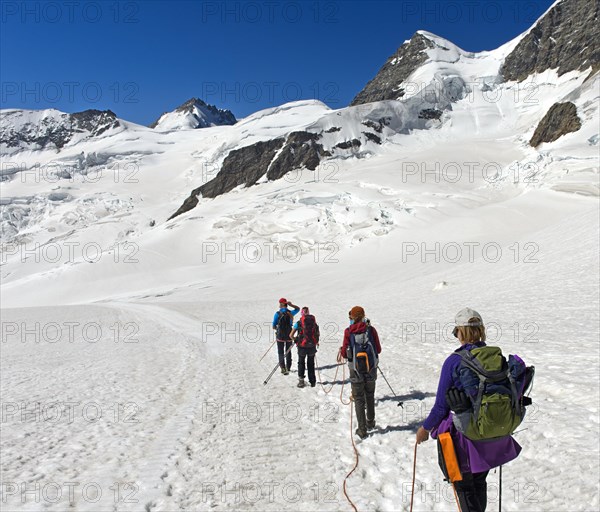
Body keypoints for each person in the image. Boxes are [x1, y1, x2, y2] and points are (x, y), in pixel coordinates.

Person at [416, 308, 522, 512]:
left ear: (461, 332)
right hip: (491, 435)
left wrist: (425, 429)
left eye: (456, 331)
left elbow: (441, 406)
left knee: (464, 487)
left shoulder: (454, 361)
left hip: (462, 437)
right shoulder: (494, 356)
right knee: (479, 482)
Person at [338, 306, 381, 439]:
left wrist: (344, 350)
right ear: (363, 316)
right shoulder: (371, 330)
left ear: (352, 317)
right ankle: (370, 422)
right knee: (370, 395)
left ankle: (362, 430)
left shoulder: (348, 331)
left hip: (355, 370)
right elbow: (378, 349)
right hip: (371, 369)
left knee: (358, 399)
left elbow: (345, 353)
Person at [290, 307, 320, 388]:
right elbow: (317, 333)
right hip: (312, 346)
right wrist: (316, 342)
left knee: (301, 363)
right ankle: (312, 381)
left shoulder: (299, 322)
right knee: (311, 363)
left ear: (302, 313)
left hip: (302, 346)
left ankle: (301, 382)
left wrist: (296, 340)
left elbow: (291, 335)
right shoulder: (314, 322)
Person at [272, 298, 299, 375]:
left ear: (281, 304)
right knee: (288, 351)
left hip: (280, 336)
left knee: (280, 352)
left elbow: (273, 325)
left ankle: (283, 368)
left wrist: (277, 329)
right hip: (289, 335)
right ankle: (288, 367)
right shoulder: (290, 313)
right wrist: (291, 305)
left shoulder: (277, 313)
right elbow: (298, 309)